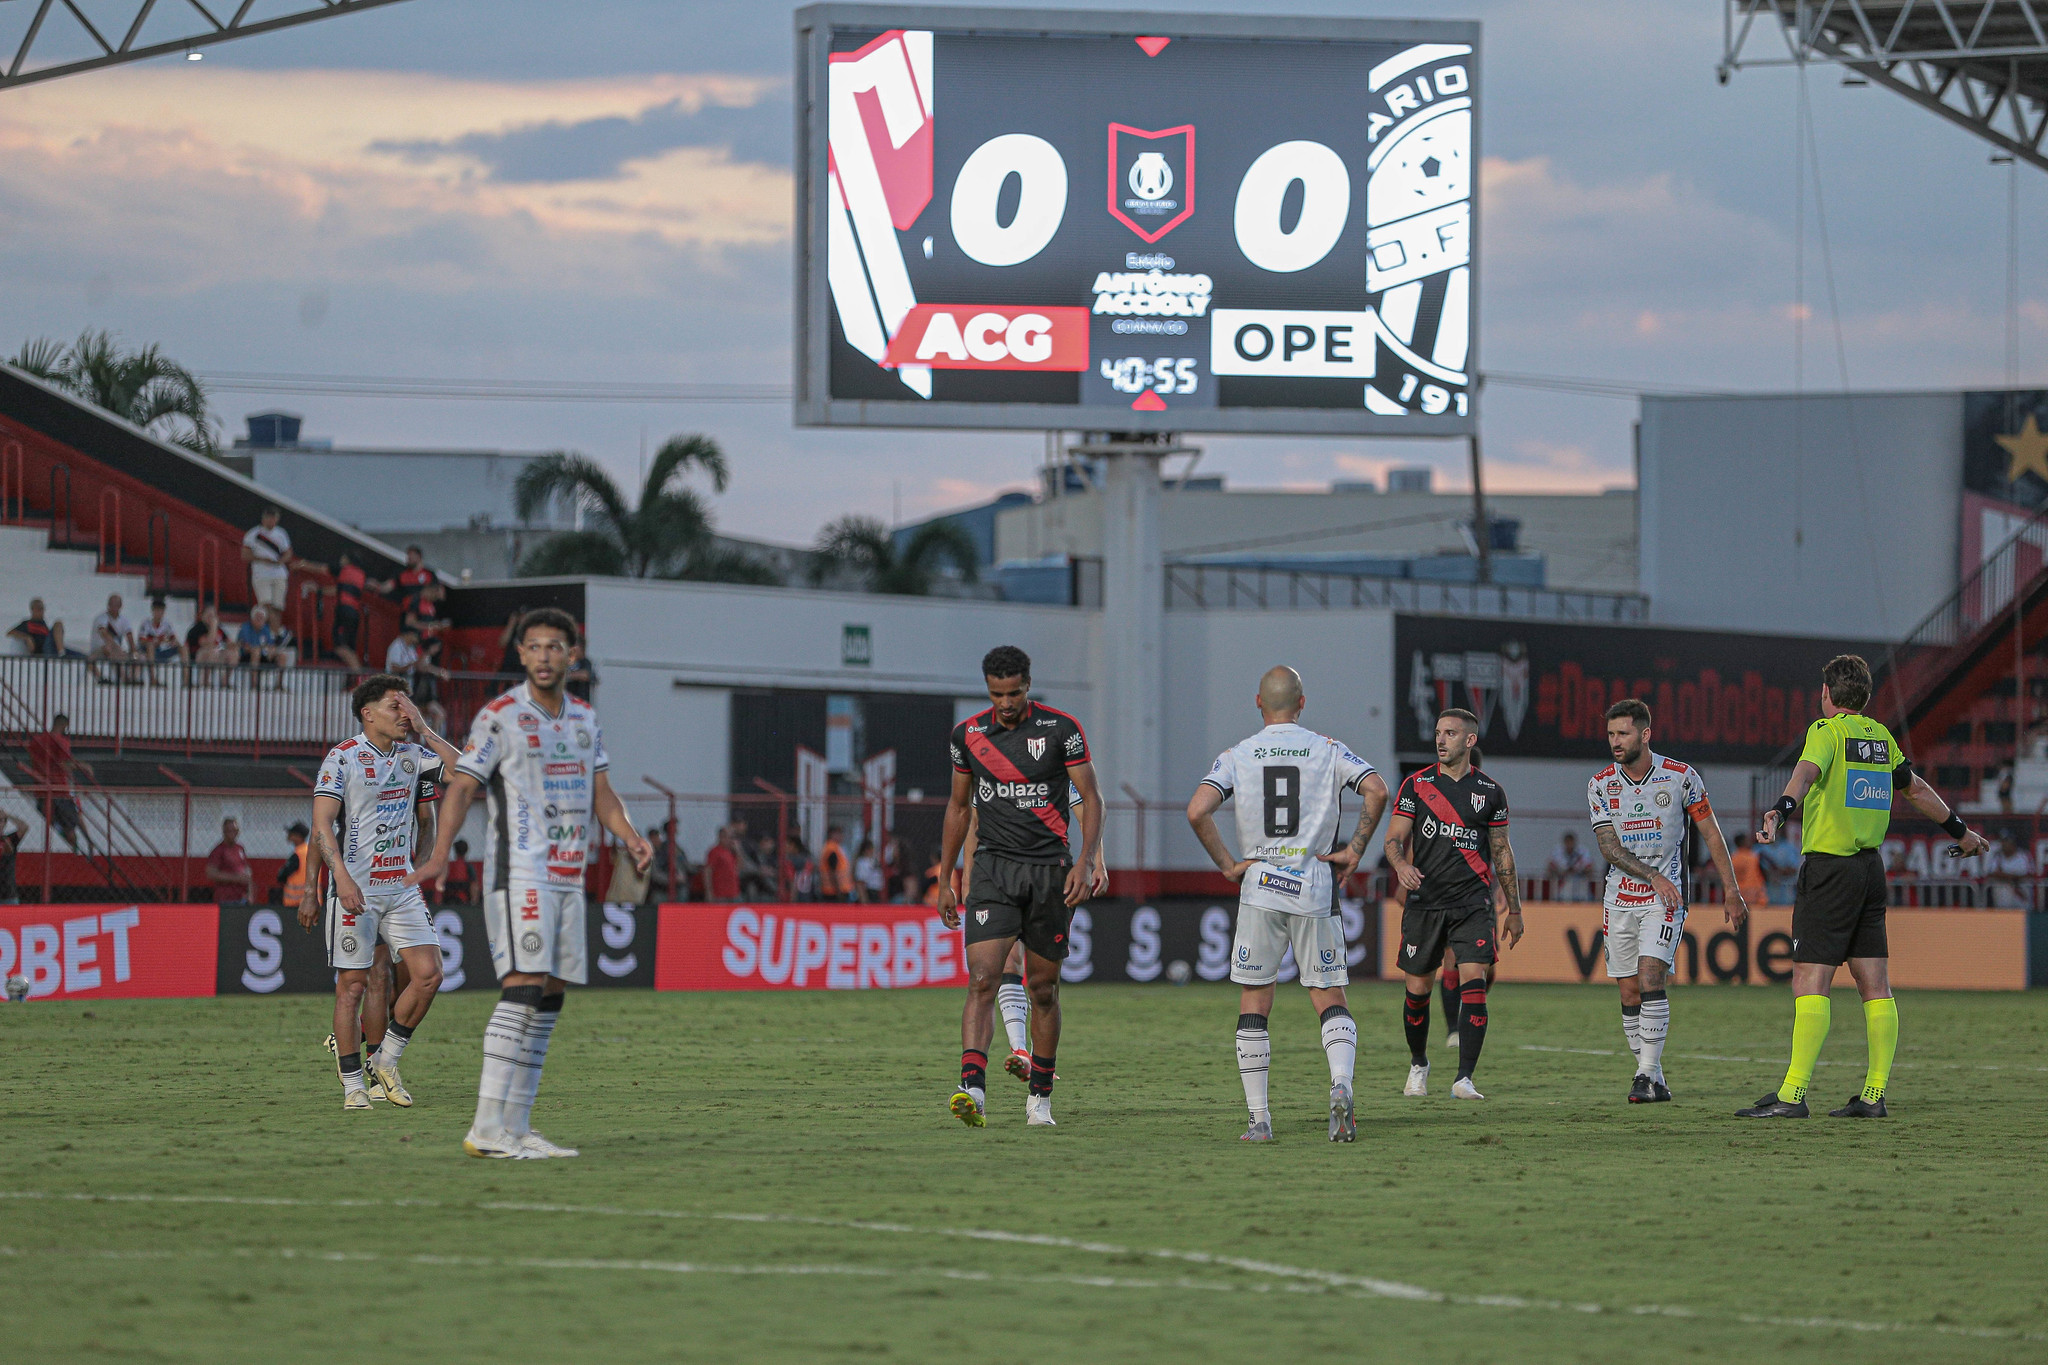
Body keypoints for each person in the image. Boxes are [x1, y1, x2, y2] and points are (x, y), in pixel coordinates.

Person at [413, 607, 652, 1159]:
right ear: (521, 654)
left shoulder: (585, 719)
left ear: (572, 654)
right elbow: (462, 787)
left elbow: (603, 796)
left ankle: (517, 1128)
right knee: (523, 984)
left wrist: (631, 836)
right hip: (520, 872)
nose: (544, 656)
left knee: (550, 995)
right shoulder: (499, 717)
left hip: (568, 879)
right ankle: (485, 1127)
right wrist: (440, 854)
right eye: (535, 647)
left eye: (555, 647)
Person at [1740, 654, 1989, 1119]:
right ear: (1867, 698)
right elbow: (1914, 788)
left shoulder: (1826, 731)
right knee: (1874, 983)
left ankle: (1793, 1095)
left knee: (1809, 979)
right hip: (1870, 871)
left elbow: (1806, 772)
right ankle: (1873, 1095)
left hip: (1830, 870)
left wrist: (1781, 808)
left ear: (1827, 695)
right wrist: (1961, 832)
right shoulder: (1881, 737)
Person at [1186, 665, 1390, 1142]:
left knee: (1255, 1000)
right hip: (1315, 885)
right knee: (1329, 997)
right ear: (1302, 703)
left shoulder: (1238, 755)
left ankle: (1259, 1120)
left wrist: (1227, 863)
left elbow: (1198, 810)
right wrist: (1356, 850)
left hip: (1259, 887)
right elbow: (1377, 789)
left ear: (1259, 703)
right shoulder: (1328, 748)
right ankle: (1340, 1086)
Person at [937, 645, 1103, 1130]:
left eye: (1013, 693)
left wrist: (1087, 860)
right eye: (996, 694)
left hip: (1049, 871)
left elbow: (1090, 799)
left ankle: (1040, 1099)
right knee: (983, 978)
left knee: (1044, 989)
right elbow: (958, 808)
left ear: (1028, 685)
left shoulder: (1061, 729)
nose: (1005, 703)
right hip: (992, 868)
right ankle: (973, 1089)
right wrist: (947, 878)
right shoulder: (968, 735)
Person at [1588, 699, 1750, 1103]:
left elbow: (1711, 833)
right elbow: (1609, 848)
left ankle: (1642, 1076)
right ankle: (1654, 1075)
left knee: (1650, 978)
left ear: (1645, 734)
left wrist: (1731, 890)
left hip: (1667, 897)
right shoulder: (1600, 784)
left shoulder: (1681, 777)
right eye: (1610, 734)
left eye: (1622, 733)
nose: (1615, 742)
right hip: (1619, 898)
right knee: (1628, 993)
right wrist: (1651, 875)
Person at [307, 675, 456, 1109]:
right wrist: (340, 879)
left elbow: (466, 772)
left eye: (406, 706)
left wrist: (426, 728)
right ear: (368, 714)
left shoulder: (414, 754)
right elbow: (321, 827)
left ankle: (386, 1059)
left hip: (402, 887)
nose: (403, 715)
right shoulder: (342, 758)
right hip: (357, 889)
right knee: (353, 985)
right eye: (396, 707)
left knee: (428, 974)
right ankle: (354, 1084)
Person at [1385, 709, 1522, 1100]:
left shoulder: (1491, 793)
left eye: (1450, 733)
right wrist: (1400, 865)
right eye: (1438, 733)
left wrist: (1514, 909)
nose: (1440, 740)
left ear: (1469, 741)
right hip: (1425, 903)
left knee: (1474, 983)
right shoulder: (1416, 785)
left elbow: (1502, 853)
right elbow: (1394, 838)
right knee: (1417, 992)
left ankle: (1464, 1077)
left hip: (1471, 904)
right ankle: (1418, 1064)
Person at [27, 714, 87, 850]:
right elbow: (63, 764)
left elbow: (33, 762)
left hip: (41, 790)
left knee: (48, 828)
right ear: (65, 725)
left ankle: (55, 856)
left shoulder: (36, 741)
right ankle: (74, 855)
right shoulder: (61, 741)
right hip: (60, 791)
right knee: (70, 828)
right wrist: (83, 766)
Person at [242, 506, 296, 615]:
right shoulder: (253, 534)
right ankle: (269, 630)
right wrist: (262, 559)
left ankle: (275, 631)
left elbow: (288, 552)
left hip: (279, 574)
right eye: (269, 518)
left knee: (278, 607)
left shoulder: (281, 533)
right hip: (261, 574)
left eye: (274, 518)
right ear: (263, 519)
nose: (271, 521)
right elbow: (245, 555)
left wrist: (281, 561)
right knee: (266, 606)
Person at [328, 551, 372, 670]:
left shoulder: (344, 570)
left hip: (344, 612)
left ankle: (358, 676)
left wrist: (302, 564)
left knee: (340, 646)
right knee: (350, 647)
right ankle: (356, 677)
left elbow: (322, 569)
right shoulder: (361, 574)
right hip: (355, 614)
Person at [135, 596, 184, 685]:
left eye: (161, 611)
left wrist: (171, 642)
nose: (159, 613)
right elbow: (141, 640)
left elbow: (174, 638)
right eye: (157, 611)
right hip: (147, 651)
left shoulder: (167, 624)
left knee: (182, 647)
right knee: (150, 646)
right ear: (152, 611)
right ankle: (153, 678)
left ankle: (186, 680)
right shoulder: (146, 624)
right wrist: (155, 641)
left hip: (161, 651)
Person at [236, 606, 292, 684]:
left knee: (282, 655)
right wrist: (262, 648)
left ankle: (279, 684)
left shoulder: (266, 629)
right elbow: (246, 647)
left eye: (262, 618)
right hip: (247, 656)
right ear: (252, 618)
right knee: (256, 652)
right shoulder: (245, 627)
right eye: (257, 617)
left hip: (263, 655)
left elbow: (270, 645)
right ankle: (254, 684)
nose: (259, 620)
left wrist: (271, 650)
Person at [88, 592, 137, 682]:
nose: (114, 607)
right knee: (108, 650)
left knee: (139, 657)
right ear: (108, 605)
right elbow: (104, 634)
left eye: (117, 604)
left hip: (114, 650)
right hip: (99, 649)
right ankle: (102, 679)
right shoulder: (101, 618)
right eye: (112, 604)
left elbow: (129, 635)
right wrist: (116, 647)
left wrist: (133, 651)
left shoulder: (124, 620)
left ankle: (131, 678)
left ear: (121, 606)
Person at [207, 816, 253, 904]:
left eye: (235, 830)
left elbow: (247, 871)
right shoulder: (218, 851)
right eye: (229, 831)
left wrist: (250, 893)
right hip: (225, 899)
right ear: (224, 832)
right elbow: (211, 873)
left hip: (241, 898)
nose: (232, 833)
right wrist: (235, 878)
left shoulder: (240, 848)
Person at [9, 598, 77, 657]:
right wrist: (27, 637)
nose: (41, 611)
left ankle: (62, 652)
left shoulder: (43, 624)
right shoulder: (27, 623)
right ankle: (61, 653)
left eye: (42, 608)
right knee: (58, 624)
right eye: (39, 608)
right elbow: (10, 632)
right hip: (44, 650)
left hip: (52, 648)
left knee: (85, 658)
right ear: (33, 609)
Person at [1984, 830, 2033, 909]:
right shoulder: (1998, 857)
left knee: (2022, 916)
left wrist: (2008, 876)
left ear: (2013, 843)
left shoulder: (2023, 855)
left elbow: (2030, 875)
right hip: (2002, 899)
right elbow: (1992, 874)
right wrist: (2011, 876)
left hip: (2020, 896)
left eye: (2006, 841)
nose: (2004, 844)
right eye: (2002, 842)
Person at [1756, 819, 1801, 905]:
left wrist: (1776, 872)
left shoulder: (1788, 847)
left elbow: (1793, 869)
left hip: (1786, 894)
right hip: (1764, 895)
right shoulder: (1758, 849)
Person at [274, 820, 313, 912]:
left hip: (296, 902)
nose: (289, 836)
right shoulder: (310, 851)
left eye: (292, 834)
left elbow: (282, 876)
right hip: (311, 901)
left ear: (298, 837)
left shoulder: (298, 854)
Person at [1545, 830, 1594, 895]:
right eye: (1567, 842)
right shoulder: (1557, 852)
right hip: (1563, 881)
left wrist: (1578, 871)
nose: (1569, 845)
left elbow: (1589, 867)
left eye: (1571, 842)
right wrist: (1559, 873)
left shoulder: (1583, 851)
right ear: (1564, 842)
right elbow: (1550, 867)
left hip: (1580, 881)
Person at [704, 823, 742, 901]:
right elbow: (708, 871)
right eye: (730, 837)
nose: (732, 840)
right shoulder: (714, 851)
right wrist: (709, 891)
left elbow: (739, 868)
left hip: (733, 892)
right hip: (720, 894)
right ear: (722, 837)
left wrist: (738, 851)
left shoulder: (731, 852)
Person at [1730, 832, 1768, 907]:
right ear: (1743, 842)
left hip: (1738, 892)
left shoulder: (1733, 858)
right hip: (1754, 892)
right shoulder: (1752, 857)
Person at [439, 838, 477, 905]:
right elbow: (473, 885)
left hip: (448, 900)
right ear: (466, 851)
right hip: (464, 901)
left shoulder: (448, 866)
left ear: (455, 851)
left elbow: (440, 883)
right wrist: (473, 901)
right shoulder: (468, 867)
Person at [0, 809, 27, 903]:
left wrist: (8, 815)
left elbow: (24, 827)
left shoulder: (10, 839)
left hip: (8, 894)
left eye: (1, 821)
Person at [819, 826, 853, 901]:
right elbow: (832, 871)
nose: (842, 836)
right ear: (832, 835)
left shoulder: (835, 848)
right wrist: (838, 891)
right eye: (839, 833)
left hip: (834, 890)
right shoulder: (832, 850)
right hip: (834, 892)